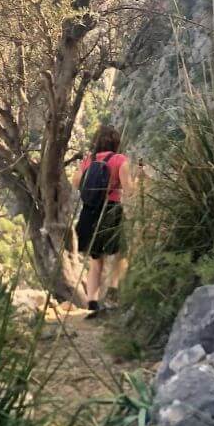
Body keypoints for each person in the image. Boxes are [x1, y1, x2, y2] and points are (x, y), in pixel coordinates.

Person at [72, 124, 132, 319]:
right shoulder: (120, 160)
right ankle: (113, 290)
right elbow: (129, 190)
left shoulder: (88, 161)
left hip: (89, 213)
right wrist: (139, 178)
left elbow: (76, 184)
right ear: (116, 142)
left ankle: (92, 303)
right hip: (111, 211)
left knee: (95, 261)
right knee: (122, 252)